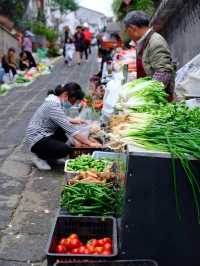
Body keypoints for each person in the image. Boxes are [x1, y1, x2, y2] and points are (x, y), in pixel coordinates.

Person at [25, 82, 101, 171]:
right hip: (36, 139)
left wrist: (75, 121)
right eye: (73, 101)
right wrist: (89, 143)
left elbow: (60, 118)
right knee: (66, 149)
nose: (72, 105)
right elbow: (71, 130)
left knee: (63, 131)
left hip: (45, 134)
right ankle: (39, 157)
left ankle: (52, 158)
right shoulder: (52, 105)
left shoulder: (55, 102)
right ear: (65, 95)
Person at [124, 11, 175, 101]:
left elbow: (163, 74)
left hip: (159, 100)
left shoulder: (155, 41)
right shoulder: (143, 41)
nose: (128, 35)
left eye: (127, 31)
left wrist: (144, 94)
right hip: (150, 96)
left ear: (133, 28)